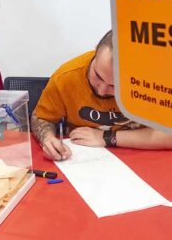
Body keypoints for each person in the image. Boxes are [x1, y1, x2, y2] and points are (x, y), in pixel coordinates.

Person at [31, 30, 172, 161]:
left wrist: (106, 137)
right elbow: (41, 117)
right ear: (95, 54)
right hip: (83, 159)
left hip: (142, 158)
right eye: (97, 75)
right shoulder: (66, 77)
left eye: (115, 86)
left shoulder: (156, 82)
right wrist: (48, 139)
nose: (102, 90)